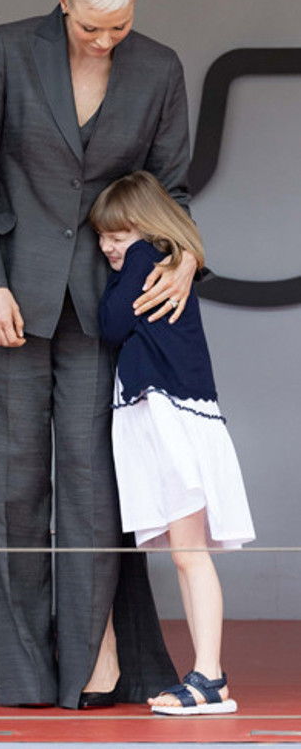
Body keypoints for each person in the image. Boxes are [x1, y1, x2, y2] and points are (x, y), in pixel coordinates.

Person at [0, 0, 197, 709]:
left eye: (121, 27)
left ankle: (92, 662)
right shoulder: (7, 50)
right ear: (64, 2)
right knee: (13, 490)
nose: (106, 41)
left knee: (94, 484)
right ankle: (24, 671)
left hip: (108, 305)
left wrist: (179, 256)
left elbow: (170, 188)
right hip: (14, 299)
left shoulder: (161, 68)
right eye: (92, 28)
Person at [91, 170, 254, 715]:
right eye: (101, 237)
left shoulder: (144, 260)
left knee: (190, 556)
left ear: (140, 226)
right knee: (190, 556)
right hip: (174, 417)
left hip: (170, 418)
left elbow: (112, 325)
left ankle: (209, 676)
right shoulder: (167, 258)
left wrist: (122, 274)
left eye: (114, 234)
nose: (106, 246)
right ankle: (209, 674)